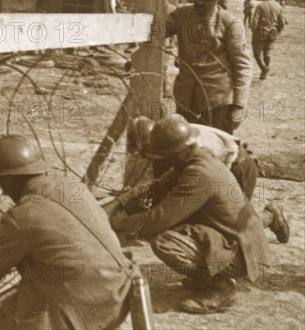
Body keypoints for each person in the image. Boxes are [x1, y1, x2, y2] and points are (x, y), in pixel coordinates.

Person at [0, 135, 133, 329]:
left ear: (8, 179)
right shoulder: (74, 188)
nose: (2, 191)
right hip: (118, 294)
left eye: (0, 182)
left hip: (82, 309)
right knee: (22, 299)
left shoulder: (22, 216)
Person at [109, 120, 272, 314]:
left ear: (176, 153)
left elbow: (160, 219)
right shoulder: (194, 158)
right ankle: (206, 276)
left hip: (242, 253)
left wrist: (122, 223)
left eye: (162, 156)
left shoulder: (199, 175)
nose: (159, 162)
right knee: (175, 229)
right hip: (236, 239)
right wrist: (119, 203)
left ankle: (221, 287)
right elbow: (156, 187)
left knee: (164, 240)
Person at [119, 116, 289, 243]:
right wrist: (124, 204)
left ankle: (269, 217)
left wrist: (130, 223)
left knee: (232, 226)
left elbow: (211, 176)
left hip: (237, 166)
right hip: (219, 170)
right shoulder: (169, 138)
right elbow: (162, 184)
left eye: (148, 150)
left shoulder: (185, 145)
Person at [166, 0, 252, 134]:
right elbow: (156, 31)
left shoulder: (231, 24)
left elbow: (243, 67)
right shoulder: (181, 15)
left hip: (217, 102)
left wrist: (239, 105)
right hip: (186, 98)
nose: (199, 2)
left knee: (215, 147)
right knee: (184, 147)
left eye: (205, 0)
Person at [251, 0, 285, 80]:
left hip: (261, 32)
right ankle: (264, 73)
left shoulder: (261, 5)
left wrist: (255, 32)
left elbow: (254, 22)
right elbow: (282, 23)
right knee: (267, 52)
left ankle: (264, 68)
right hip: (273, 32)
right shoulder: (279, 7)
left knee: (257, 53)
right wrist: (277, 32)